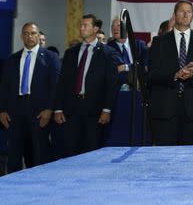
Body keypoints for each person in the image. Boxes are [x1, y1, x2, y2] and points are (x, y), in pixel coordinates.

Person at [148, 0, 193, 145]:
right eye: (182, 11)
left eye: (189, 11)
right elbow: (152, 74)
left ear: (192, 16)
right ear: (174, 15)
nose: (185, 14)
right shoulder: (159, 42)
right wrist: (175, 75)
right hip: (165, 109)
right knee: (165, 157)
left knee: (191, 159)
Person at [53, 14, 118, 157]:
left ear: (95, 29)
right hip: (71, 109)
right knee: (70, 151)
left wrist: (107, 109)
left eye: (85, 25)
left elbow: (111, 84)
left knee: (92, 150)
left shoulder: (108, 53)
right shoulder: (71, 52)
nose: (81, 28)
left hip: (95, 111)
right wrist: (58, 108)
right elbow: (62, 82)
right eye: (80, 25)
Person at [0, 22, 61, 173]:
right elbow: (4, 87)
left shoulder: (50, 57)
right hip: (15, 110)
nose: (30, 37)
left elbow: (56, 86)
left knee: (39, 152)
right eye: (26, 33)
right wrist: (2, 110)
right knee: (14, 153)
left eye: (33, 33)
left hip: (39, 111)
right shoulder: (12, 59)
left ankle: (40, 187)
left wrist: (49, 109)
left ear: (39, 36)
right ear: (21, 36)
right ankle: (11, 188)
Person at [107, 17, 149, 91]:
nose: (114, 29)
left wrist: (126, 67)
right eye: (112, 26)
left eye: (118, 26)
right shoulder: (108, 48)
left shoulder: (140, 45)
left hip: (140, 90)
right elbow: (113, 70)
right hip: (118, 91)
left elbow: (145, 67)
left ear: (127, 29)